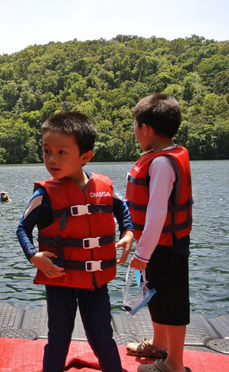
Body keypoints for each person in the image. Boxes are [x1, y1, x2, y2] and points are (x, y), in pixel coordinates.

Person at [16, 112, 134, 372]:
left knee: (103, 338)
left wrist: (128, 233)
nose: (51, 159)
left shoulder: (104, 186)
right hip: (59, 280)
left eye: (61, 152)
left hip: (96, 284)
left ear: (85, 157)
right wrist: (33, 255)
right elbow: (22, 229)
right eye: (46, 151)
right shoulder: (44, 194)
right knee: (58, 340)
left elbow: (122, 209)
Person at [124, 94, 193, 372]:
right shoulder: (161, 158)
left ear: (146, 129)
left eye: (135, 126)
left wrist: (142, 254)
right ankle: (159, 345)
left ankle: (174, 363)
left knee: (172, 300)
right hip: (157, 245)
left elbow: (156, 215)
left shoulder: (162, 164)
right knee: (156, 294)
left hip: (166, 245)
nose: (135, 132)